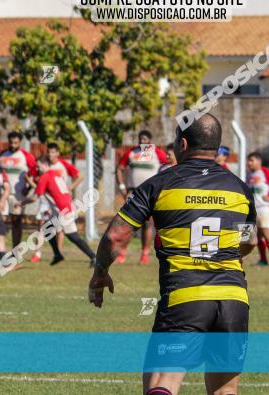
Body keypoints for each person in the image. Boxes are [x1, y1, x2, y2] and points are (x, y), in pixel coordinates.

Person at [89, 113, 257, 395]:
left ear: (182, 143)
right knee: (226, 391)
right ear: (216, 145)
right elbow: (249, 241)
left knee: (162, 383)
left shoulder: (161, 183)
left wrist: (100, 273)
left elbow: (116, 236)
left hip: (185, 298)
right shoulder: (239, 188)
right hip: (233, 299)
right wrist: (229, 255)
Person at [116, 130, 168, 265]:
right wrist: (122, 187)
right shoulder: (131, 153)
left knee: (147, 224)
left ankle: (144, 253)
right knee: (128, 223)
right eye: (140, 139)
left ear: (150, 140)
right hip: (133, 192)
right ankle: (123, 252)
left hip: (151, 193)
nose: (142, 141)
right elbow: (119, 169)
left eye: (145, 139)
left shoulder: (157, 153)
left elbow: (168, 165)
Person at [33, 156, 95, 266]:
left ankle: (94, 257)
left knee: (73, 236)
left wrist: (22, 202)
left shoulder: (45, 177)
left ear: (45, 165)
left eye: (38, 166)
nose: (37, 169)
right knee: (47, 230)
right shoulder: (55, 173)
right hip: (65, 206)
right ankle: (57, 255)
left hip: (63, 210)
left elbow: (35, 197)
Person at [36, 143, 83, 257]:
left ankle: (59, 252)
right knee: (42, 224)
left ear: (58, 153)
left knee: (60, 228)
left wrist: (70, 187)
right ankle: (37, 253)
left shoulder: (63, 165)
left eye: (53, 152)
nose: (50, 154)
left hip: (58, 201)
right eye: (49, 152)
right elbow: (36, 178)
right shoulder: (44, 165)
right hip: (46, 199)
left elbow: (80, 176)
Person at [0, 131, 37, 253]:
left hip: (18, 194)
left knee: (16, 221)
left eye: (15, 142)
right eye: (10, 142)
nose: (12, 144)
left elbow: (34, 175)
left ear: (19, 142)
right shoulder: (2, 155)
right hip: (2, 194)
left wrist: (28, 189)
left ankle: (15, 250)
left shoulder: (26, 156)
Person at [246, 152, 269, 266]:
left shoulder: (265, 172)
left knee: (266, 232)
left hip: (264, 208)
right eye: (248, 160)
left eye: (251, 160)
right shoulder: (249, 175)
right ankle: (263, 260)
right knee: (257, 236)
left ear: (259, 161)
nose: (249, 163)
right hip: (253, 209)